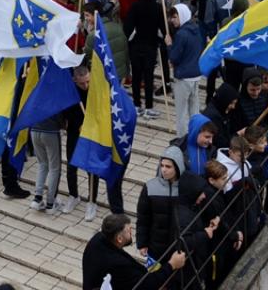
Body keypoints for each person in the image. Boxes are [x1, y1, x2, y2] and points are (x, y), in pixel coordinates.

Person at [81, 214, 185, 290]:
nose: (132, 232)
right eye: (129, 230)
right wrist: (172, 265)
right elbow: (146, 284)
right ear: (119, 239)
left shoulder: (98, 239)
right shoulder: (118, 264)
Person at [136, 148, 185, 266]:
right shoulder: (150, 187)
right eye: (162, 165)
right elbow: (143, 218)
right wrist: (142, 243)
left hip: (178, 247)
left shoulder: (186, 187)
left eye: (168, 167)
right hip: (155, 247)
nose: (164, 170)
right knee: (155, 279)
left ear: (177, 167)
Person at [124, 0, 165, 119]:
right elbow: (163, 29)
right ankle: (148, 107)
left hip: (136, 46)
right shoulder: (158, 7)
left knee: (136, 77)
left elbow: (127, 28)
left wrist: (132, 38)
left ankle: (136, 105)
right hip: (151, 47)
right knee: (148, 77)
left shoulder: (135, 7)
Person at [63, 64, 99, 221]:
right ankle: (73, 195)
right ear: (74, 80)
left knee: (92, 170)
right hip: (74, 134)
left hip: (91, 135)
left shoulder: (96, 91)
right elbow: (65, 114)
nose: (86, 85)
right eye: (82, 83)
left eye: (88, 81)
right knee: (71, 166)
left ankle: (92, 201)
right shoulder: (70, 93)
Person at [167, 3, 204, 141]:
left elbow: (174, 57)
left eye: (175, 17)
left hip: (183, 77)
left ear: (181, 16)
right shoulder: (197, 30)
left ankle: (182, 139)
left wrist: (169, 46)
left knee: (181, 112)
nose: (172, 20)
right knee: (194, 110)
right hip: (195, 75)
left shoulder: (181, 34)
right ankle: (195, 135)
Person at [29, 107, 64, 214]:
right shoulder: (56, 93)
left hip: (34, 129)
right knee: (55, 167)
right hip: (51, 131)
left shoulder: (37, 90)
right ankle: (51, 203)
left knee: (42, 164)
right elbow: (60, 116)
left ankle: (37, 198)